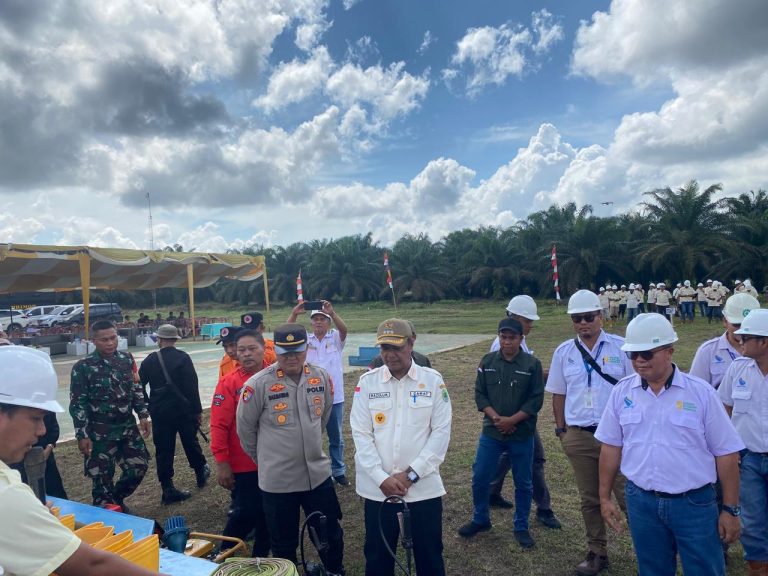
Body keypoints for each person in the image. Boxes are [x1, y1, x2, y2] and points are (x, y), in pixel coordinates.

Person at [597, 313, 744, 576]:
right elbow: (610, 446)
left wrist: (730, 509)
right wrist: (605, 497)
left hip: (694, 504)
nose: (639, 361)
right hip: (642, 503)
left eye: (647, 354)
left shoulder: (701, 393)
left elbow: (726, 454)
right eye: (633, 355)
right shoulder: (621, 392)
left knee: (704, 570)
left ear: (669, 352)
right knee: (652, 570)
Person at [0, 346, 166, 576]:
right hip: (100, 432)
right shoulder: (6, 494)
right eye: (35, 418)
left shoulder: (7, 482)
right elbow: (91, 566)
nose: (42, 430)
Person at [236, 323, 345, 575]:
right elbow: (246, 432)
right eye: (285, 352)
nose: (292, 357)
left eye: (297, 350)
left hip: (317, 477)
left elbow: (323, 416)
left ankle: (334, 571)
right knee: (283, 543)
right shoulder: (258, 385)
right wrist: (267, 460)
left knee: (330, 534)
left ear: (306, 348)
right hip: (278, 482)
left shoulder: (321, 377)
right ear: (275, 352)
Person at [350, 318, 452, 576]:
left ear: (411, 342)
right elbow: (361, 435)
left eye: (396, 347)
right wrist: (381, 477)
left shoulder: (432, 381)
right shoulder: (368, 383)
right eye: (384, 348)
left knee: (429, 557)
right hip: (377, 490)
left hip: (422, 489)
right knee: (377, 557)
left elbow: (440, 434)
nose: (390, 354)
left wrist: (411, 475)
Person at [545, 289, 634, 576]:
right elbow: (558, 393)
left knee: (628, 495)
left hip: (617, 438)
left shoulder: (621, 348)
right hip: (580, 436)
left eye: (588, 317)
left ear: (600, 316)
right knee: (590, 498)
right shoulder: (564, 352)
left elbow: (636, 390)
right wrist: (562, 430)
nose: (583, 323)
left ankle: (651, 550)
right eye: (577, 319)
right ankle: (597, 553)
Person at [458, 317, 544, 549]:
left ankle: (521, 526)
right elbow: (480, 394)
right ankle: (480, 519)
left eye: (512, 337)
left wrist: (512, 420)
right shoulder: (487, 361)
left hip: (521, 433)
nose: (507, 342)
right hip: (492, 433)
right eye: (503, 337)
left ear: (521, 338)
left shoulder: (532, 364)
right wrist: (497, 419)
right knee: (480, 477)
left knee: (523, 482)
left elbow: (535, 399)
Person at [486, 295, 561, 529]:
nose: (531, 325)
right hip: (517, 415)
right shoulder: (505, 343)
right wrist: (556, 372)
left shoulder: (518, 340)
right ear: (515, 317)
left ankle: (491, 491)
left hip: (516, 415)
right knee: (535, 459)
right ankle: (544, 508)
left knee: (509, 454)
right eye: (528, 320)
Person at [70, 320, 151, 510]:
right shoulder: (83, 366)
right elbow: (78, 402)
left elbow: (135, 388)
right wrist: (82, 435)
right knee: (101, 478)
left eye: (113, 338)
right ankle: (107, 511)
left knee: (139, 467)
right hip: (99, 431)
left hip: (126, 427)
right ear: (93, 341)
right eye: (104, 339)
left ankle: (114, 500)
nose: (110, 343)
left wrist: (143, 415)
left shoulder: (126, 359)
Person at [210, 329, 271, 557]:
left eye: (252, 349)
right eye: (241, 350)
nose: (246, 354)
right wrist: (222, 462)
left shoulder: (279, 376)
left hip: (275, 462)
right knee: (243, 513)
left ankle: (261, 557)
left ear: (263, 348)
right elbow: (218, 425)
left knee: (269, 513)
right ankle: (222, 556)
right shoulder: (229, 383)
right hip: (244, 465)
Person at [719, 309, 768, 574]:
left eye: (745, 337)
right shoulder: (738, 369)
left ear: (764, 341)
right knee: (752, 519)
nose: (739, 341)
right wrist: (729, 449)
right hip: (748, 459)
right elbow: (723, 409)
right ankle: (759, 567)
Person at [138, 324, 209, 504]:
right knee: (190, 442)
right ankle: (200, 473)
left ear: (159, 340)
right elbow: (192, 386)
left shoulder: (149, 360)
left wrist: (148, 403)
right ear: (176, 339)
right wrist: (197, 411)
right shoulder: (183, 358)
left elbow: (138, 385)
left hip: (160, 412)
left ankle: (167, 488)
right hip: (183, 410)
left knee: (163, 449)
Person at [288, 300, 349, 486]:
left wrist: (333, 312)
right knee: (310, 434)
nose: (319, 322)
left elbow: (344, 330)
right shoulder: (305, 340)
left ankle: (338, 470)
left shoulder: (335, 339)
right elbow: (287, 333)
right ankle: (315, 471)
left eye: (323, 319)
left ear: (328, 322)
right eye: (315, 319)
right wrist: (294, 314)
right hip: (310, 395)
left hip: (334, 396)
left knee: (335, 437)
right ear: (311, 323)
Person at [690, 293, 761, 390]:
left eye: (748, 325)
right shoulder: (708, 351)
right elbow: (695, 390)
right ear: (725, 321)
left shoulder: (764, 351)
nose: (742, 331)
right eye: (737, 325)